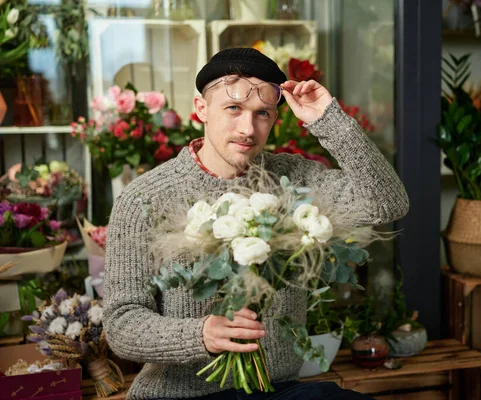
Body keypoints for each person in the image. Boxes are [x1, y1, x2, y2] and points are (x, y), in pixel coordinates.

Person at [104, 47, 409, 400]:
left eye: (262, 113)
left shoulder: (293, 178)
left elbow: (388, 203)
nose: (248, 128)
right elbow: (121, 323)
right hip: (179, 394)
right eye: (233, 109)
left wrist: (329, 120)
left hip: (274, 389)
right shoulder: (144, 198)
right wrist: (200, 335)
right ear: (201, 109)